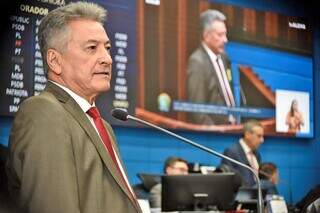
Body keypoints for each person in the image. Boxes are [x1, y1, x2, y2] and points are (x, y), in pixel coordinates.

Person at [6, 2, 141, 213]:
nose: (107, 59)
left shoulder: (102, 124)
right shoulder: (44, 112)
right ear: (55, 61)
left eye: (107, 48)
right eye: (91, 48)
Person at [186, 9, 237, 125]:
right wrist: (216, 132)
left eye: (225, 34)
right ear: (206, 35)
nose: (225, 40)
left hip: (233, 127)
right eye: (220, 35)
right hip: (215, 133)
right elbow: (197, 110)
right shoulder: (197, 62)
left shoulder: (224, 57)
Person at [219, 120, 264, 186]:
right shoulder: (231, 152)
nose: (262, 140)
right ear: (247, 134)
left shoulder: (257, 154)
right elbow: (227, 180)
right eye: (259, 136)